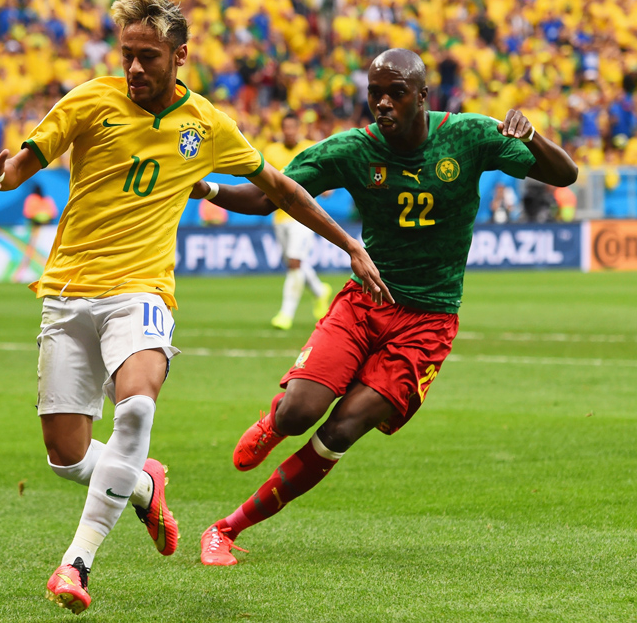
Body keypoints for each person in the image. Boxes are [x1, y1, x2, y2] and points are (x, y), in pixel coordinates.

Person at [0, 0, 387, 615]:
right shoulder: (87, 101)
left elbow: (278, 187)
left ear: (179, 55)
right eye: (127, 55)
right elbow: (16, 169)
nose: (134, 68)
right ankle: (141, 483)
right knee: (66, 456)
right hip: (67, 293)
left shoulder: (207, 125)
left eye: (148, 57)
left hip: (141, 291)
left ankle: (75, 563)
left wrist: (347, 243)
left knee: (135, 409)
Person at [194, 48, 577, 566]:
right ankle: (275, 422)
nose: (382, 103)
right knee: (301, 412)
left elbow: (565, 175)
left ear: (422, 96)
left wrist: (530, 136)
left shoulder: (469, 135)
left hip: (429, 322)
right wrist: (206, 187)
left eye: (395, 92)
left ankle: (226, 528)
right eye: (374, 93)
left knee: (340, 431)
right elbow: (269, 197)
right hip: (365, 304)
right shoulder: (351, 150)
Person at [263, 112, 332, 330]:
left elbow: (326, 177)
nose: (289, 131)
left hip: (304, 215)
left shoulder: (310, 148)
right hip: (280, 216)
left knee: (294, 262)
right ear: (281, 129)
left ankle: (285, 315)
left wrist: (325, 185)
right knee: (295, 263)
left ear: (298, 128)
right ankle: (321, 291)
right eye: (286, 127)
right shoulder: (271, 151)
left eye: (293, 127)